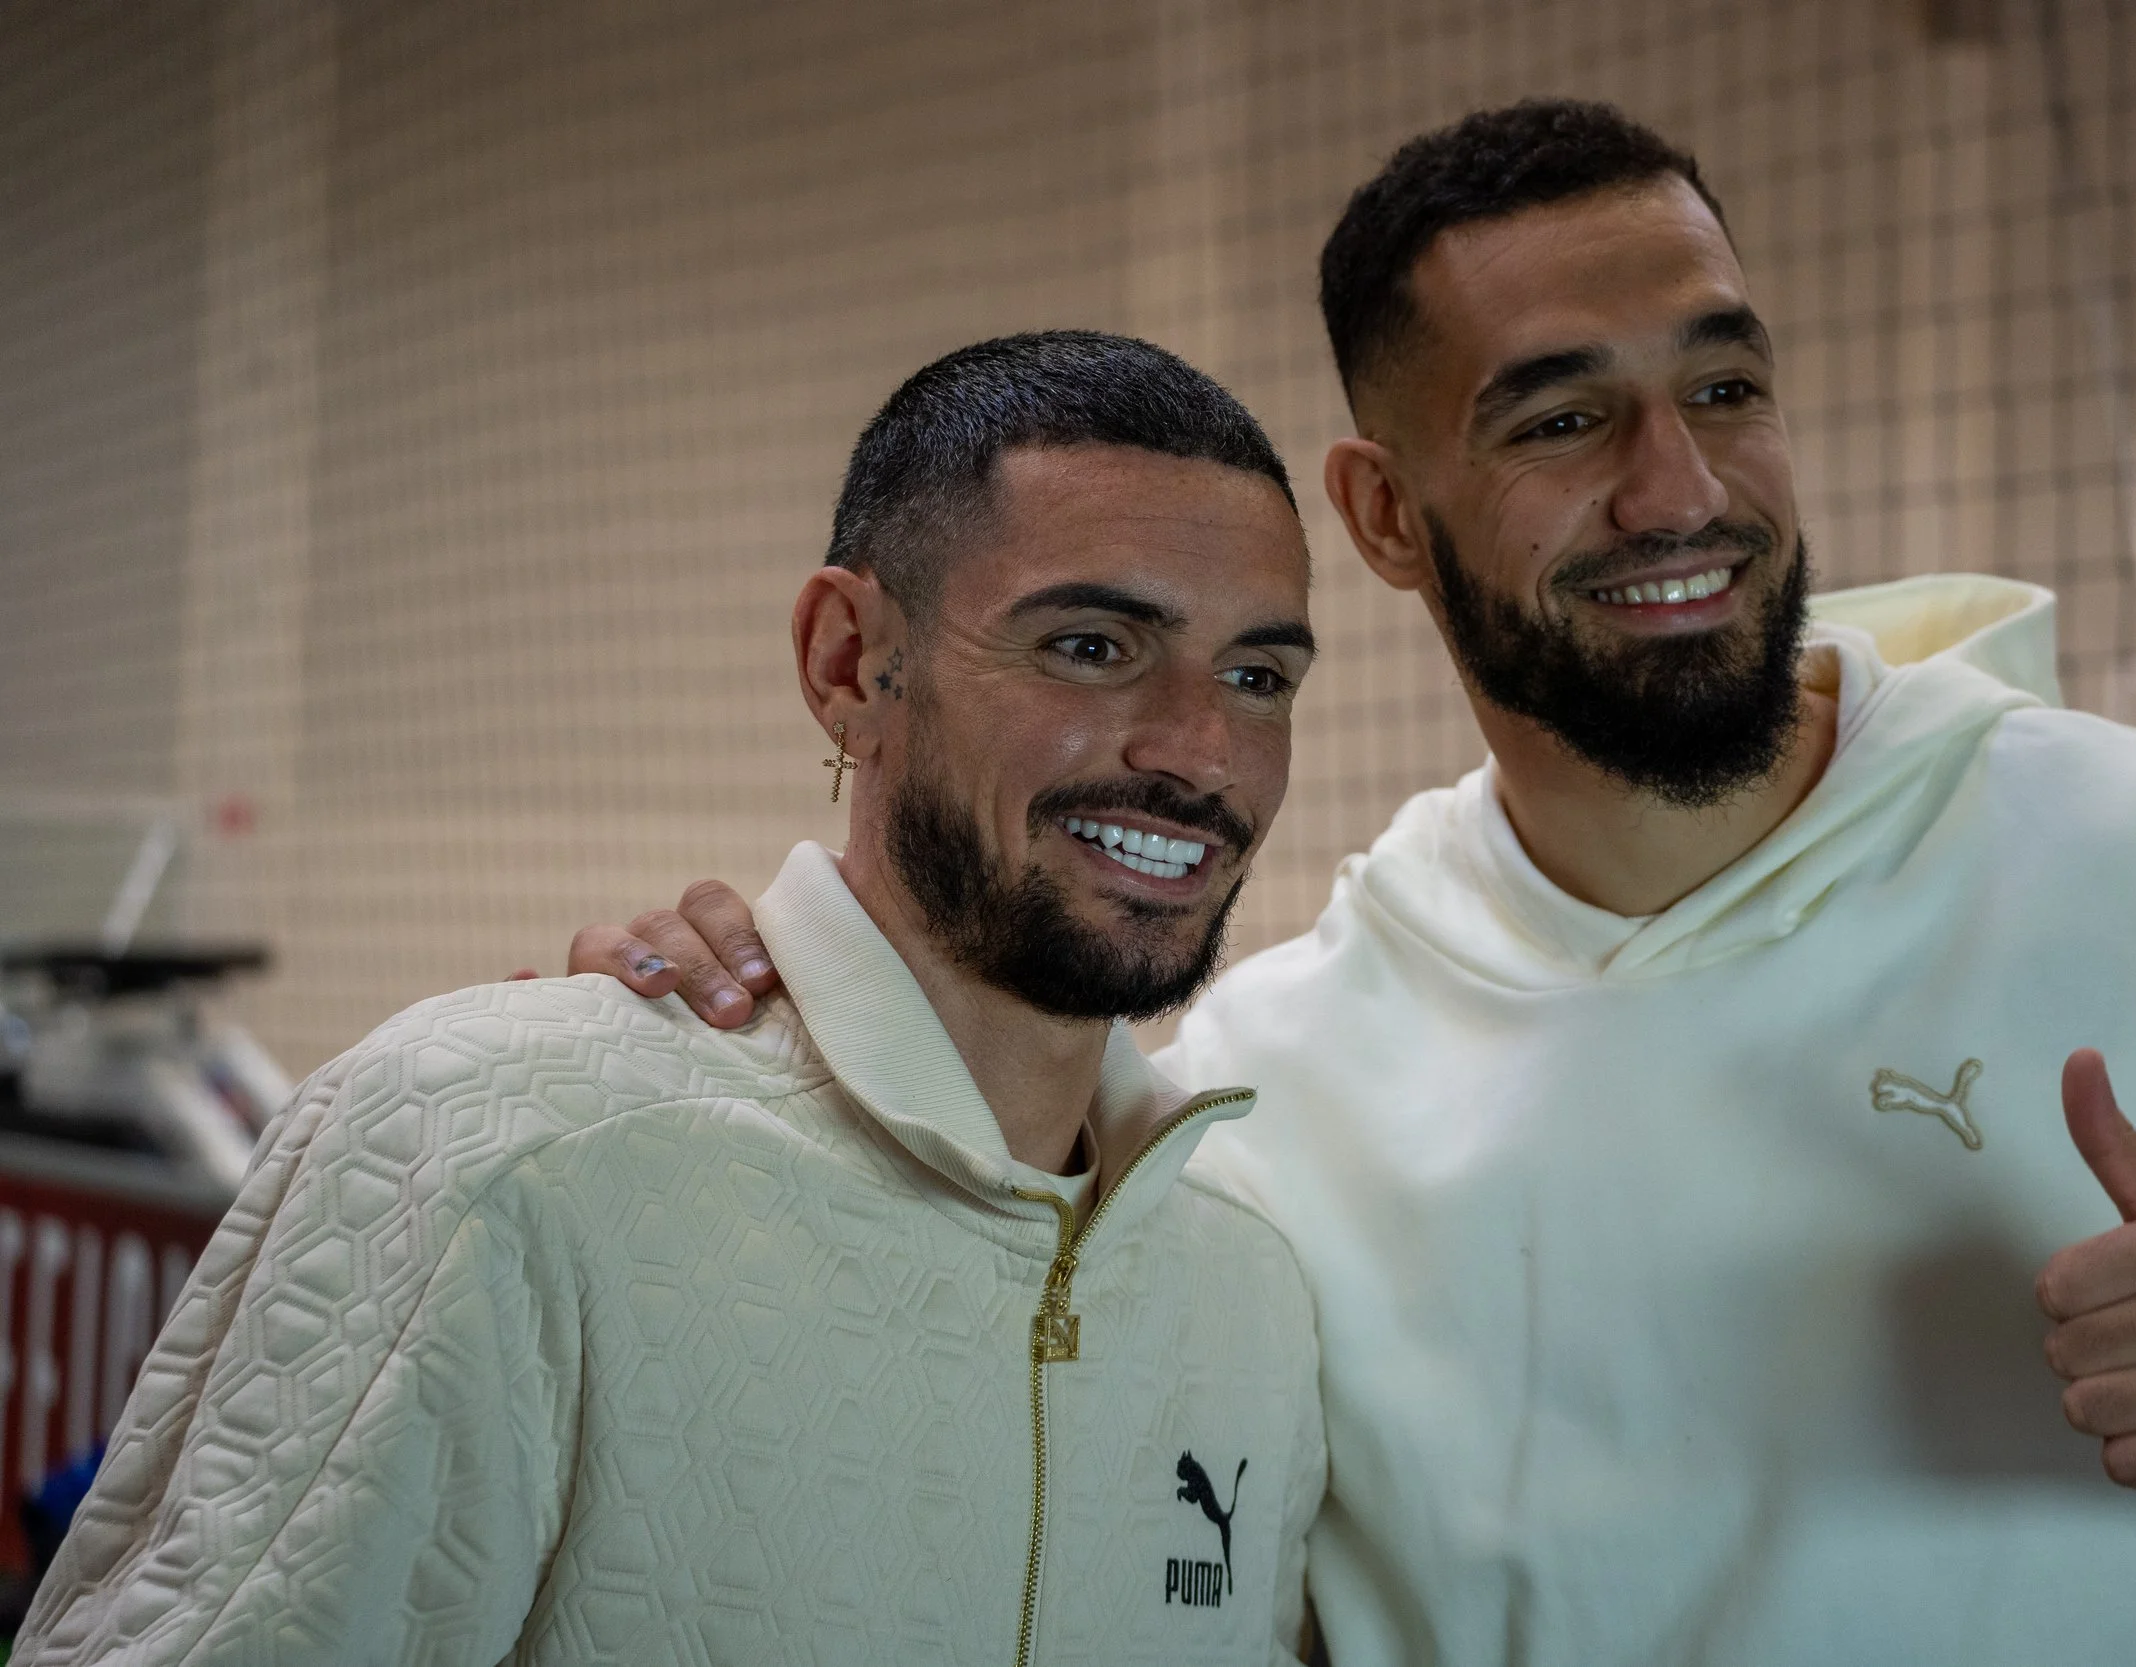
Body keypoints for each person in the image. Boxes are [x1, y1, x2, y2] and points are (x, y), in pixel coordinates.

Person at [590, 103, 2136, 1664]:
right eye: (1564, 418)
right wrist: (739, 1011)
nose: (1680, 490)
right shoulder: (1264, 1072)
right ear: (1385, 518)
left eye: (1725, 386)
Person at [17, 331, 1329, 1665]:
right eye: (1094, 643)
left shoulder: (1251, 1291)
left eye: (1258, 677)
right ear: (849, 663)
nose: (1199, 751)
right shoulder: (492, 1146)